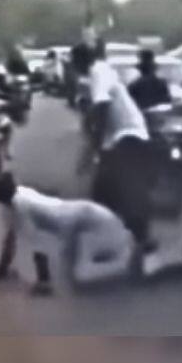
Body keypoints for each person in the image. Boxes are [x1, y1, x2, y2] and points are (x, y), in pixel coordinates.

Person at [71, 43, 159, 252]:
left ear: (81, 61)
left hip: (129, 134)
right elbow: (98, 108)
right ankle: (114, 235)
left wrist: (94, 146)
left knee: (127, 188)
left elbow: (102, 106)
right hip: (121, 136)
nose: (74, 69)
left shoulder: (98, 72)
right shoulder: (100, 71)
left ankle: (141, 238)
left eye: (74, 64)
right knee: (103, 188)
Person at [0, 173, 138, 295]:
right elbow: (10, 237)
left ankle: (125, 262)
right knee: (70, 263)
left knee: (82, 274)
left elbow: (38, 244)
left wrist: (43, 280)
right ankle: (122, 248)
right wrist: (2, 267)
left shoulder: (21, 206)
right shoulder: (19, 195)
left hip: (89, 221)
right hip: (84, 219)